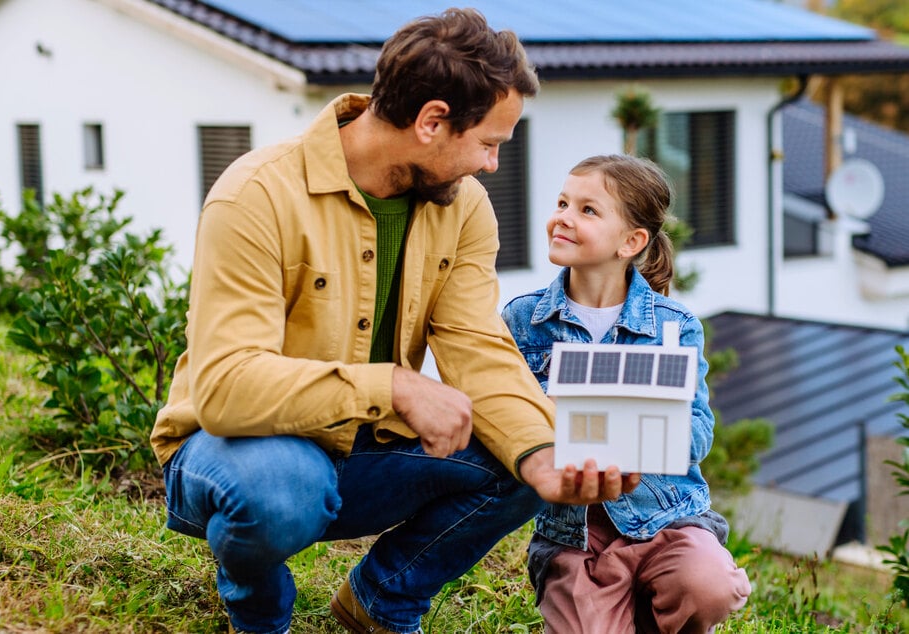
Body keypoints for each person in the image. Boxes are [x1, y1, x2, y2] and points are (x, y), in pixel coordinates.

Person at [150, 10, 637, 634]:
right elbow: (224, 390)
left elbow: (477, 348)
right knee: (280, 488)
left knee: (522, 452)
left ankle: (381, 601)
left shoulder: (463, 209)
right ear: (432, 122)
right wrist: (394, 386)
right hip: (231, 455)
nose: (491, 164)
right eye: (489, 143)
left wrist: (543, 456)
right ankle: (259, 610)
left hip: (363, 456)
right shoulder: (256, 194)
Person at [502, 154, 751, 633]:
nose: (563, 218)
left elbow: (699, 434)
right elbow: (504, 418)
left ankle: (663, 602)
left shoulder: (675, 328)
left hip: (668, 520)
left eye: (587, 210)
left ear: (631, 242)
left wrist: (627, 422)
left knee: (708, 585)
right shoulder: (522, 319)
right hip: (574, 533)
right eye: (562, 202)